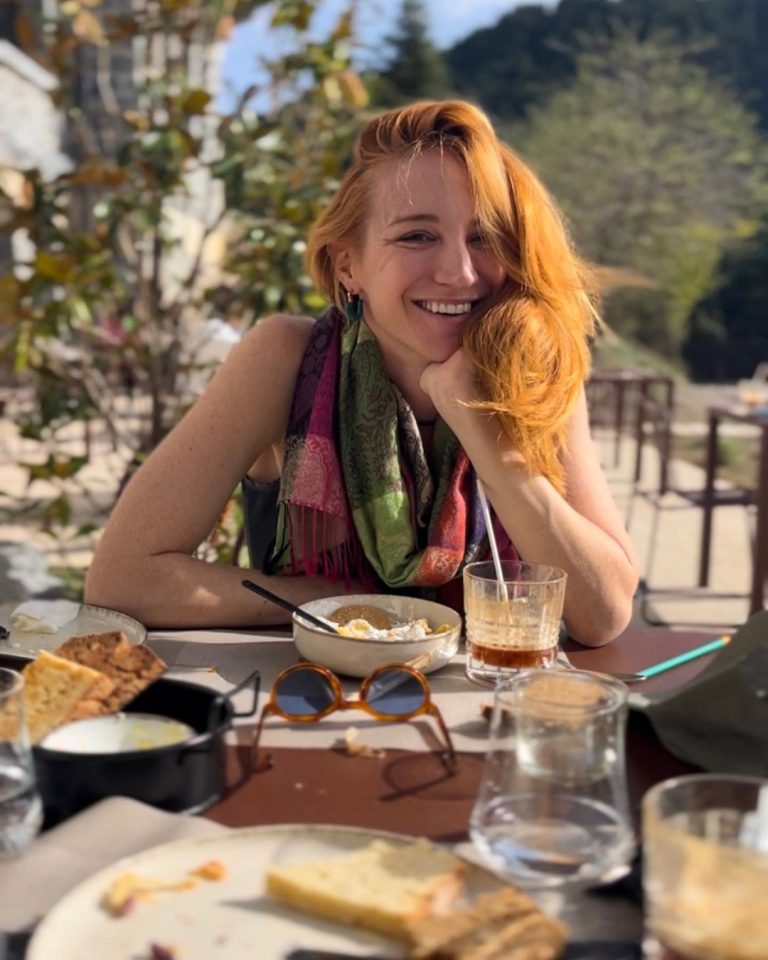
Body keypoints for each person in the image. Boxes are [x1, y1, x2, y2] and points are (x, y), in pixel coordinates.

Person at [85, 100, 638, 645]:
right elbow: (124, 579)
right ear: (348, 265)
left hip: (484, 695)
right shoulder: (286, 357)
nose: (459, 272)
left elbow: (604, 613)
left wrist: (488, 438)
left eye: (484, 237)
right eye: (417, 236)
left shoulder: (534, 372)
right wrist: (353, 607)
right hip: (313, 690)